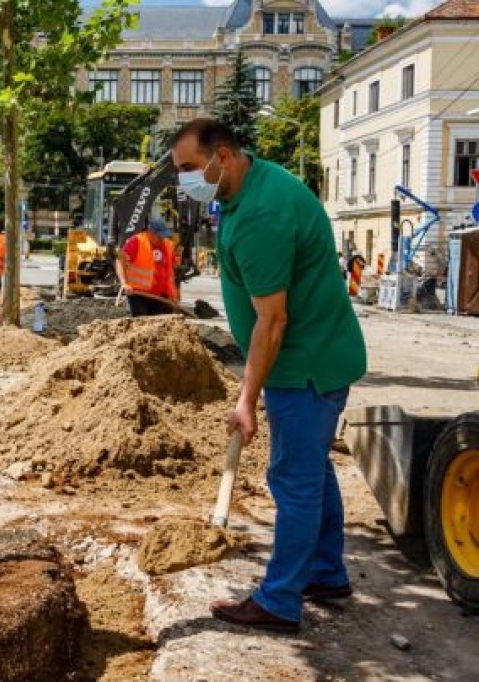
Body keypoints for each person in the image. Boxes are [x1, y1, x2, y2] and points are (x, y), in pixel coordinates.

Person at [171, 118, 366, 634]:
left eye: (191, 168)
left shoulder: (260, 213)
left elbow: (272, 319)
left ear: (225, 157)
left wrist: (246, 397)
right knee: (313, 469)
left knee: (294, 480)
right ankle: (326, 572)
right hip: (316, 355)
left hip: (302, 365)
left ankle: (280, 601)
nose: (185, 180)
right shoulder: (255, 186)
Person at [115, 218, 178, 316]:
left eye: (163, 236)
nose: (162, 239)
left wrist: (172, 294)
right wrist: (124, 283)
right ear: (150, 232)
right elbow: (119, 261)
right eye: (159, 236)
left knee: (158, 324)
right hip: (138, 294)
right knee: (141, 321)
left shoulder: (168, 245)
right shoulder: (136, 241)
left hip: (158, 295)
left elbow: (170, 271)